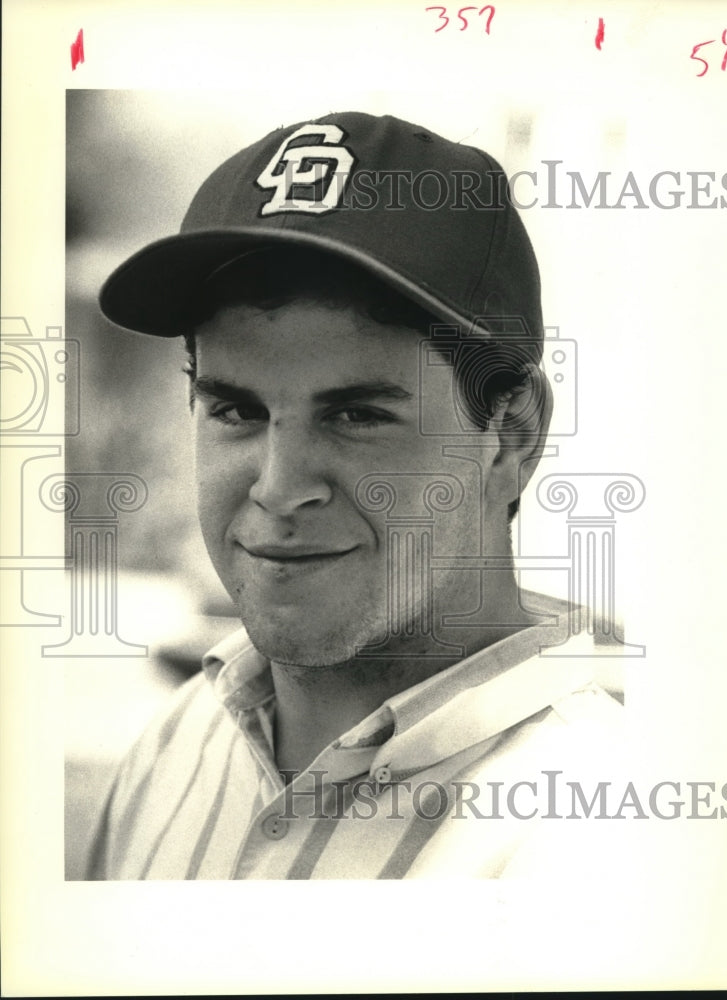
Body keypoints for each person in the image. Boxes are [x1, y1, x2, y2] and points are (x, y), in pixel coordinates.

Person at [87, 111, 622, 880]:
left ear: (509, 437)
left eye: (358, 415)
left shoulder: (609, 846)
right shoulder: (176, 743)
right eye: (236, 410)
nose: (279, 488)